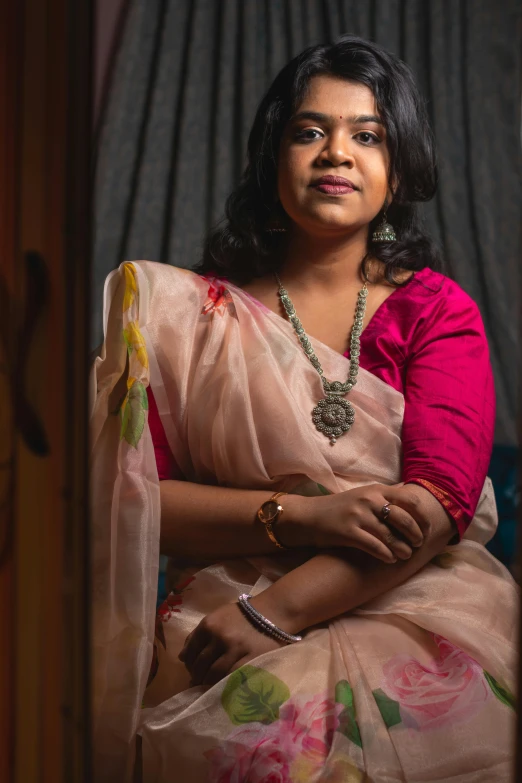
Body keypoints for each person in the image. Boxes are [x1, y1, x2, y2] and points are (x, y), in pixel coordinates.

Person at [90, 35, 517, 783]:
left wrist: (277, 613)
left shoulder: (438, 312)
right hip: (221, 613)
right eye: (310, 131)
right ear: (272, 155)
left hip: (419, 606)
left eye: (368, 134)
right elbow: (139, 495)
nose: (337, 154)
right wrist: (301, 517)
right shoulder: (191, 315)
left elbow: (438, 501)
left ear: (400, 163)